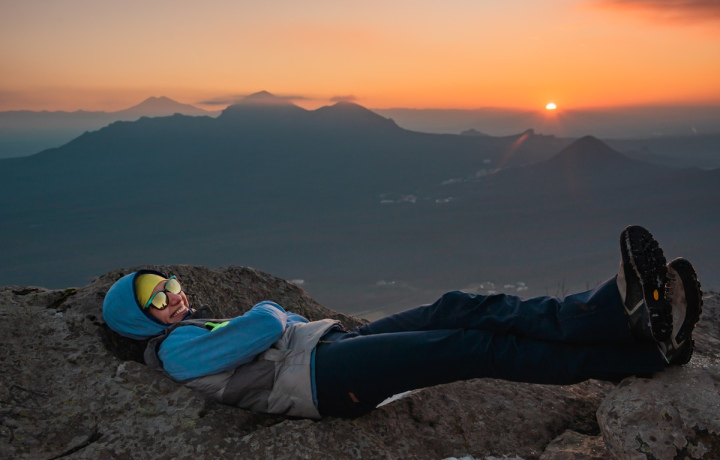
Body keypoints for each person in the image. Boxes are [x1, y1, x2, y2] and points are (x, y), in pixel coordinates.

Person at [102, 225, 703, 419]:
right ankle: (642, 352)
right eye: (156, 296)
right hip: (320, 381)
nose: (174, 294)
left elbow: (271, 332)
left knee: (457, 306)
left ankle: (616, 314)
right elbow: (265, 326)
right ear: (136, 321)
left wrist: (282, 323)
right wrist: (271, 311)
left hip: (329, 346)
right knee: (472, 346)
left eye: (170, 283)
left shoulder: (192, 334)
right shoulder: (175, 352)